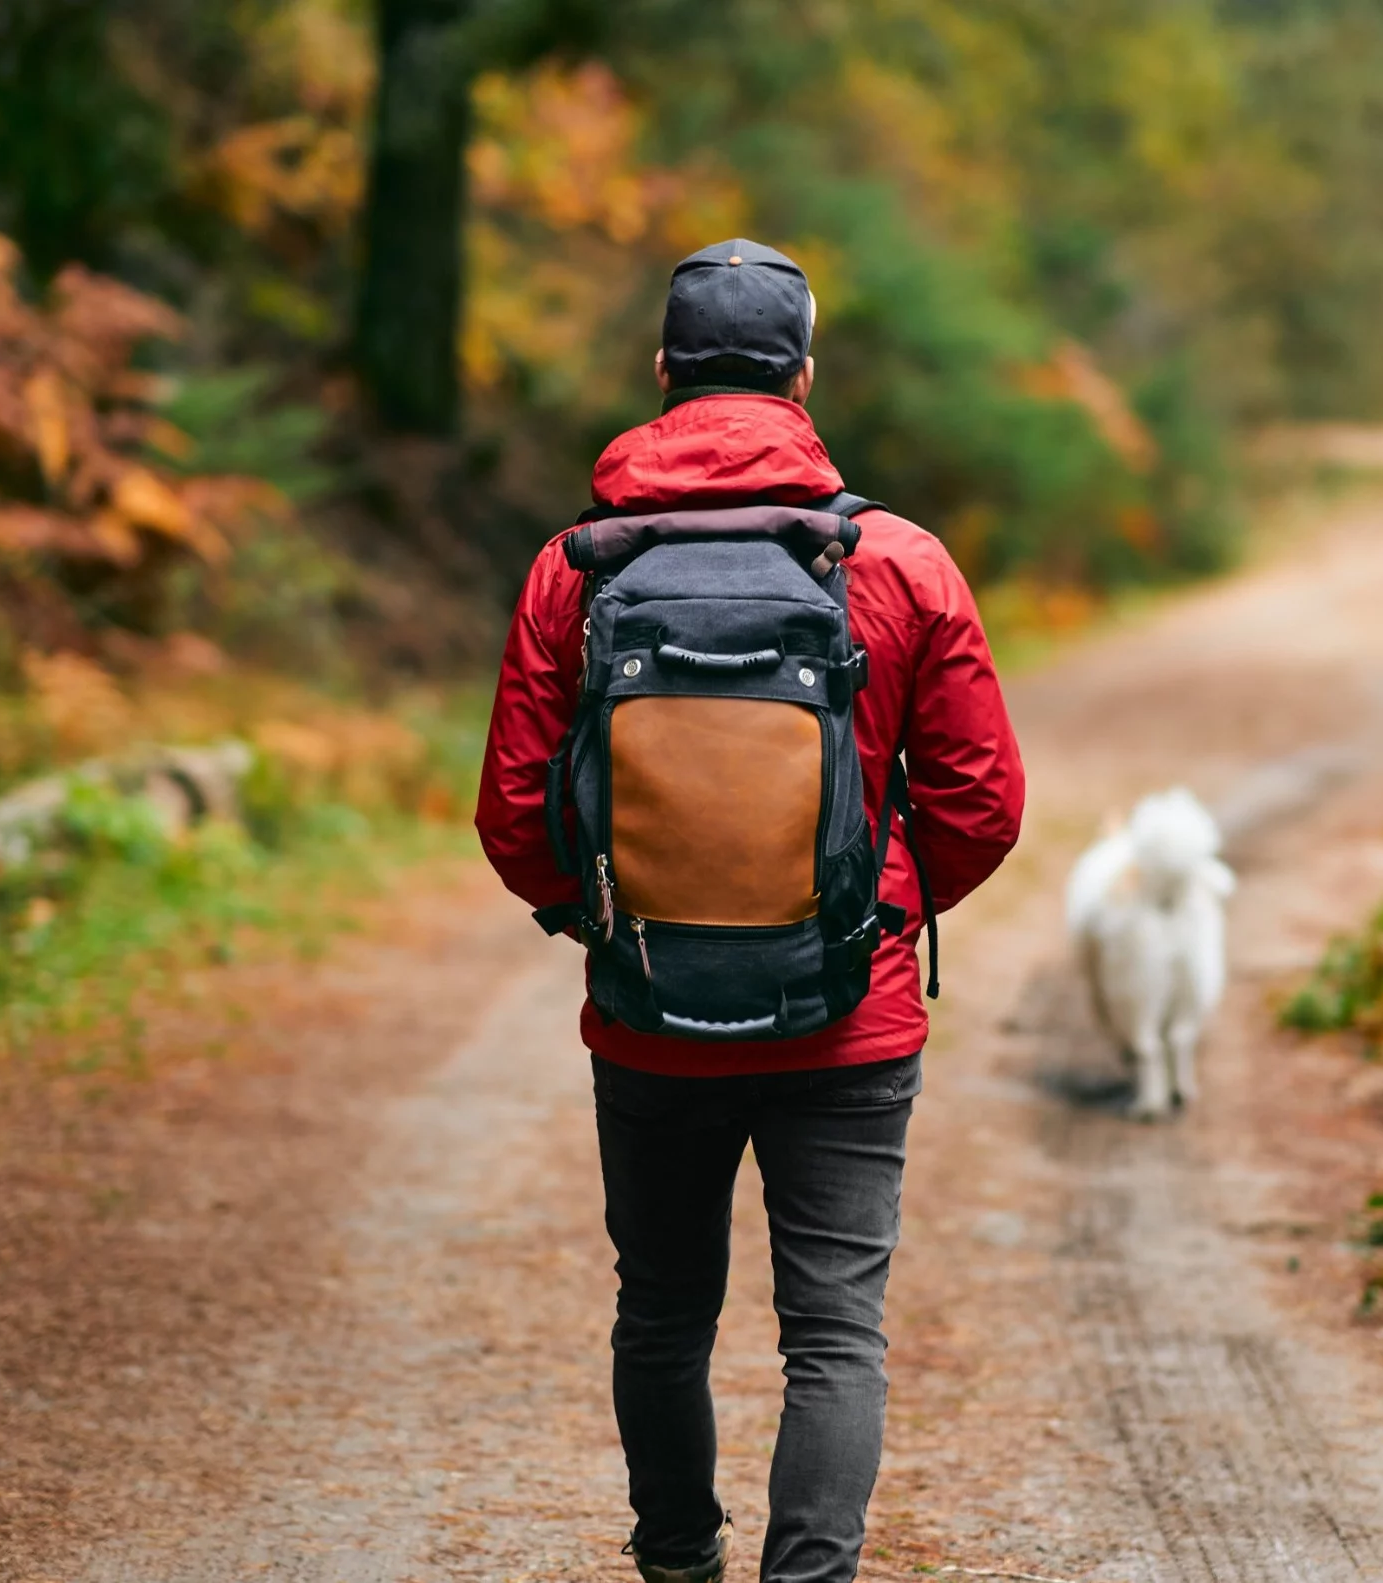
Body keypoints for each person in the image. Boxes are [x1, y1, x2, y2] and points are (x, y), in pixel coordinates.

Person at [475, 239, 1026, 1583]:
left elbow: (510, 811)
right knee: (834, 1331)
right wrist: (874, 913)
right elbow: (981, 800)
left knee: (661, 1308)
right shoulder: (894, 562)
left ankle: (677, 1558)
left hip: (649, 1013)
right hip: (849, 1016)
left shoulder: (577, 568)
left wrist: (605, 916)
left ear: (663, 374)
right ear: (803, 375)